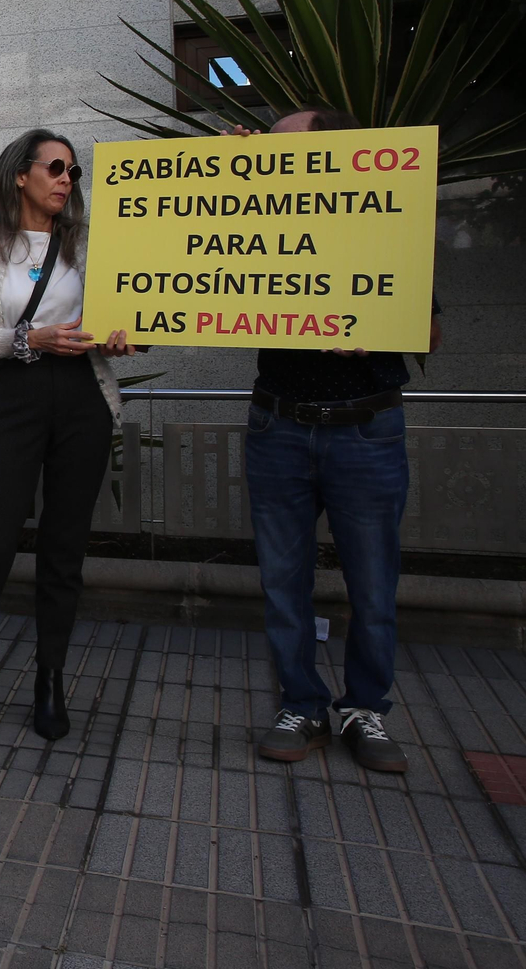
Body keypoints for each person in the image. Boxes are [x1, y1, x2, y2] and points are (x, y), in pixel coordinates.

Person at [0, 129, 135, 743]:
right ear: (20, 174)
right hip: (14, 396)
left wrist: (120, 336)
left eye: (73, 172)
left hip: (82, 397)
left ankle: (50, 680)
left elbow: (122, 320)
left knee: (64, 547)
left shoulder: (87, 245)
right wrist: (29, 339)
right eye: (54, 167)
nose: (65, 180)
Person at [244, 108, 426, 775]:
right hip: (279, 425)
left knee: (373, 583)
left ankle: (365, 707)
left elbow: (428, 327)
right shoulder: (264, 221)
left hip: (364, 426)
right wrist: (238, 173)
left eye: (280, 145)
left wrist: (376, 331)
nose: (269, 151)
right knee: (281, 580)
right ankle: (302, 702)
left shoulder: (390, 224)